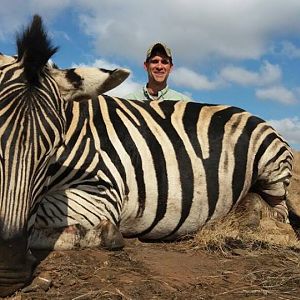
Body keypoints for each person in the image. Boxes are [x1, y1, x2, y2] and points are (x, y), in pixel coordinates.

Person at [126, 42, 192, 101]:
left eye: (164, 62)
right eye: (154, 61)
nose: (159, 67)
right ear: (146, 66)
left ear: (171, 68)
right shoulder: (128, 101)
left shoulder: (184, 102)